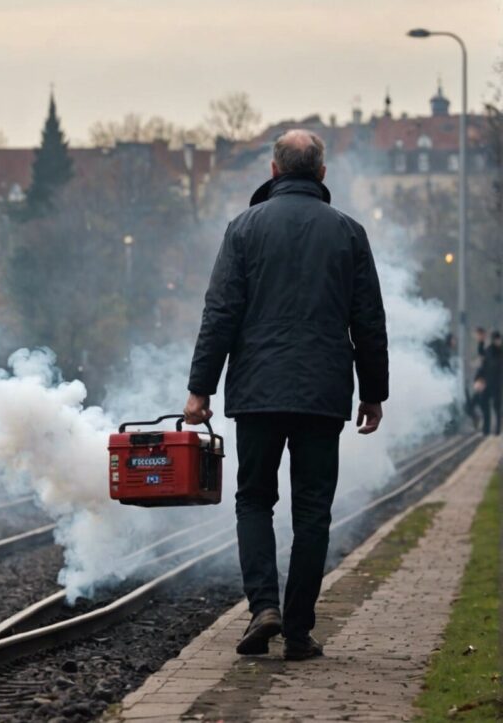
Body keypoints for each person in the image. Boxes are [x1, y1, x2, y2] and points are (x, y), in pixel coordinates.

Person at [182, 129, 388, 662]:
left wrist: (200, 387)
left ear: (274, 171)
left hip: (256, 391)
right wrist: (373, 392)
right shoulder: (348, 232)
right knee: (313, 511)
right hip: (323, 393)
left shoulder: (244, 228)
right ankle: (298, 631)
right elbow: (369, 321)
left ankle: (263, 608)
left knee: (254, 499)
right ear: (322, 174)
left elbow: (220, 313)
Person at [475, 329, 502, 435]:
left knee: (497, 408)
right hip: (487, 383)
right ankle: (486, 430)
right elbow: (483, 364)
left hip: (498, 384)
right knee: (485, 406)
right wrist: (479, 378)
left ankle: (497, 430)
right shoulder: (489, 351)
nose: (497, 341)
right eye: (496, 339)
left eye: (498, 339)